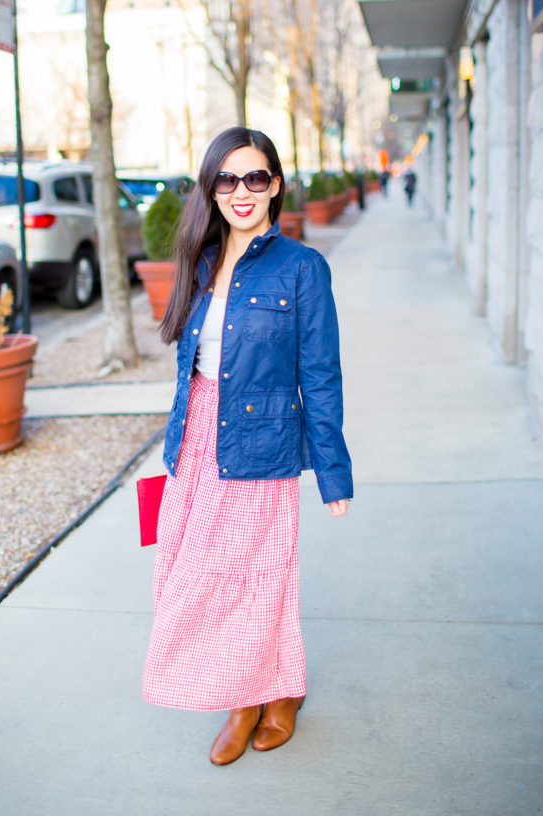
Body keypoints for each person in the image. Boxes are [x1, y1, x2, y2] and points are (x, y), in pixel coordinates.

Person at [142, 126, 353, 766]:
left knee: (257, 575)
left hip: (262, 440)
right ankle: (267, 686)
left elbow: (319, 373)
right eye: (227, 179)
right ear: (212, 187)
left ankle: (262, 696)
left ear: (275, 186)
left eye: (255, 178)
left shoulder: (303, 268)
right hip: (196, 437)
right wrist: (174, 444)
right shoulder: (200, 262)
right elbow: (192, 367)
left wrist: (333, 472)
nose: (241, 191)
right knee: (180, 569)